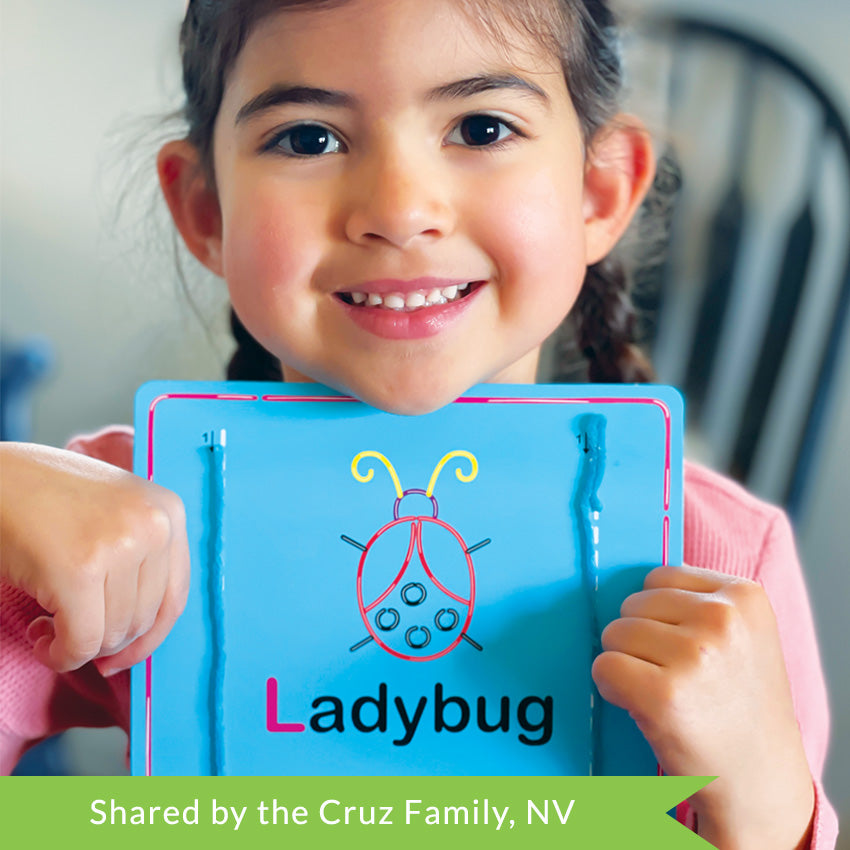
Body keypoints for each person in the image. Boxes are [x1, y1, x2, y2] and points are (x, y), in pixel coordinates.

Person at [0, 0, 838, 845]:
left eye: (480, 127)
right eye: (308, 138)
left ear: (598, 190)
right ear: (208, 213)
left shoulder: (726, 563)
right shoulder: (118, 528)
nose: (400, 211)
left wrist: (765, 799)